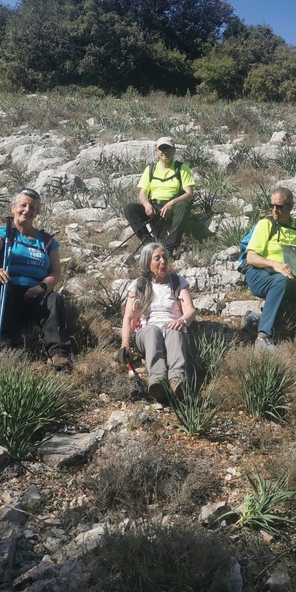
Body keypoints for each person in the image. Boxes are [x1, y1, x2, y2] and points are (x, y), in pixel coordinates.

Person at [0, 188, 72, 368]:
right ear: (13, 208)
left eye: (33, 208)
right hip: (8, 286)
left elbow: (55, 273)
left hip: (34, 292)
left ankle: (58, 353)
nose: (27, 210)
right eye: (23, 205)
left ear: (36, 213)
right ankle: (6, 343)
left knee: (54, 299)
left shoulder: (46, 241)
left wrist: (41, 287)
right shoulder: (2, 233)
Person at [243, 187, 296, 351]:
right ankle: (263, 337)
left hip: (289, 278)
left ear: (290, 207)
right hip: (259, 274)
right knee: (280, 281)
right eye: (271, 205)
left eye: (279, 206)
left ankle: (258, 320)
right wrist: (274, 264)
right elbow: (251, 258)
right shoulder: (265, 224)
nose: (274, 210)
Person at [119, 242, 196, 400]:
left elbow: (190, 310)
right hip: (148, 331)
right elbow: (128, 317)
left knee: (174, 330)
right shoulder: (139, 285)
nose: (163, 261)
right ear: (148, 263)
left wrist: (182, 320)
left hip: (172, 328)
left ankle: (178, 380)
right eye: (157, 258)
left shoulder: (177, 282)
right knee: (152, 330)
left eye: (165, 257)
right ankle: (157, 380)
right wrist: (125, 344)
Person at [123, 137, 196, 257]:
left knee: (183, 205)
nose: (165, 152)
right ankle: (149, 243)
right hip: (154, 207)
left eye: (168, 148)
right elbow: (142, 193)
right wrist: (147, 205)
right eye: (162, 148)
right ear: (157, 151)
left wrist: (171, 203)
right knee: (130, 209)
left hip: (173, 207)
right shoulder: (150, 169)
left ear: (174, 150)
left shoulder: (181, 168)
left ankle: (169, 246)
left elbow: (189, 193)